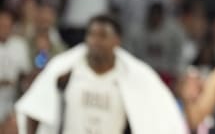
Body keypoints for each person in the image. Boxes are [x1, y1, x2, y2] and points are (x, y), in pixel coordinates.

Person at [14, 14, 186, 134]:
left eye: (102, 35)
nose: (95, 41)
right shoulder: (66, 72)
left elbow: (156, 117)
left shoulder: (131, 78)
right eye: (91, 34)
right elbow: (34, 109)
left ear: (117, 40)